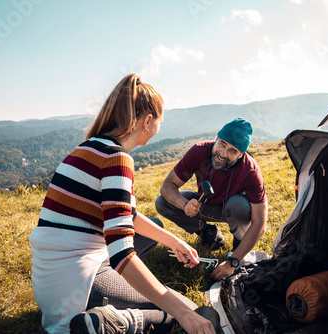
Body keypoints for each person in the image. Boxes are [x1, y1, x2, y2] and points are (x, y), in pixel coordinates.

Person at [29, 74, 218, 334]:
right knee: (183, 310)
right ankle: (106, 324)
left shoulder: (89, 148)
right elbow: (121, 254)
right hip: (78, 285)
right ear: (148, 121)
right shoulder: (117, 158)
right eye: (160, 121)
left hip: (49, 279)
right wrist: (184, 312)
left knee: (154, 225)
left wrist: (175, 242)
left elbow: (128, 216)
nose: (159, 126)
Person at [155, 118, 268, 281]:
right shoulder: (199, 151)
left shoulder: (250, 170)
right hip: (204, 205)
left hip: (232, 211)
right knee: (162, 202)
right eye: (222, 144)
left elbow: (260, 223)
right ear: (216, 139)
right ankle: (209, 235)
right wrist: (184, 204)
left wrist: (233, 262)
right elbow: (167, 185)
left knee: (239, 205)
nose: (223, 154)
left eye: (232, 151)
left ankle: (239, 246)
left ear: (241, 154)